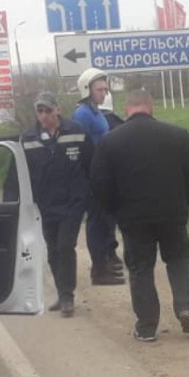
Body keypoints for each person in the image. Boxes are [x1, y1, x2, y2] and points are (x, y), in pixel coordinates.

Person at [91, 90, 189, 342]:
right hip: (172, 213)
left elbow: (99, 182)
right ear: (151, 108)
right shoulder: (177, 135)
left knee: (141, 268)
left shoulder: (110, 141)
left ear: (126, 110)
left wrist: (114, 209)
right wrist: (185, 200)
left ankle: (146, 326)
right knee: (178, 260)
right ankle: (184, 307)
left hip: (133, 217)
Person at [4, 93, 94, 317]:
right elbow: (16, 175)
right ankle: (62, 291)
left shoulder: (76, 132)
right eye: (39, 111)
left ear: (57, 110)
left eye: (47, 110)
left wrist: (91, 197)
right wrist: (10, 203)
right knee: (53, 250)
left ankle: (67, 297)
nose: (43, 115)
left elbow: (92, 165)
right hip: (44, 206)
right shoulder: (28, 138)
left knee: (65, 246)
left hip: (72, 204)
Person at [72, 67, 125, 286]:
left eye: (105, 89)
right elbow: (81, 148)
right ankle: (98, 270)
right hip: (93, 175)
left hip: (103, 173)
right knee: (96, 223)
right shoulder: (82, 114)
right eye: (99, 89)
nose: (104, 93)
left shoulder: (95, 112)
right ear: (87, 90)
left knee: (105, 223)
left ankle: (105, 262)